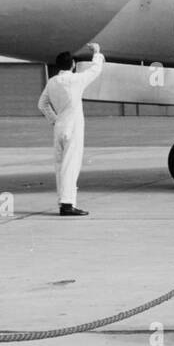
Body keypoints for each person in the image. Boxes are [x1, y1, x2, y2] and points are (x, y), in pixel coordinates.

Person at [37, 42, 105, 216]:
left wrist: (54, 119)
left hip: (59, 126)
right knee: (70, 165)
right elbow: (95, 70)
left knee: (60, 166)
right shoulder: (76, 79)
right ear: (73, 65)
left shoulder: (52, 82)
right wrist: (97, 53)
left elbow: (42, 104)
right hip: (73, 126)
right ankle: (67, 204)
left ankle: (63, 202)